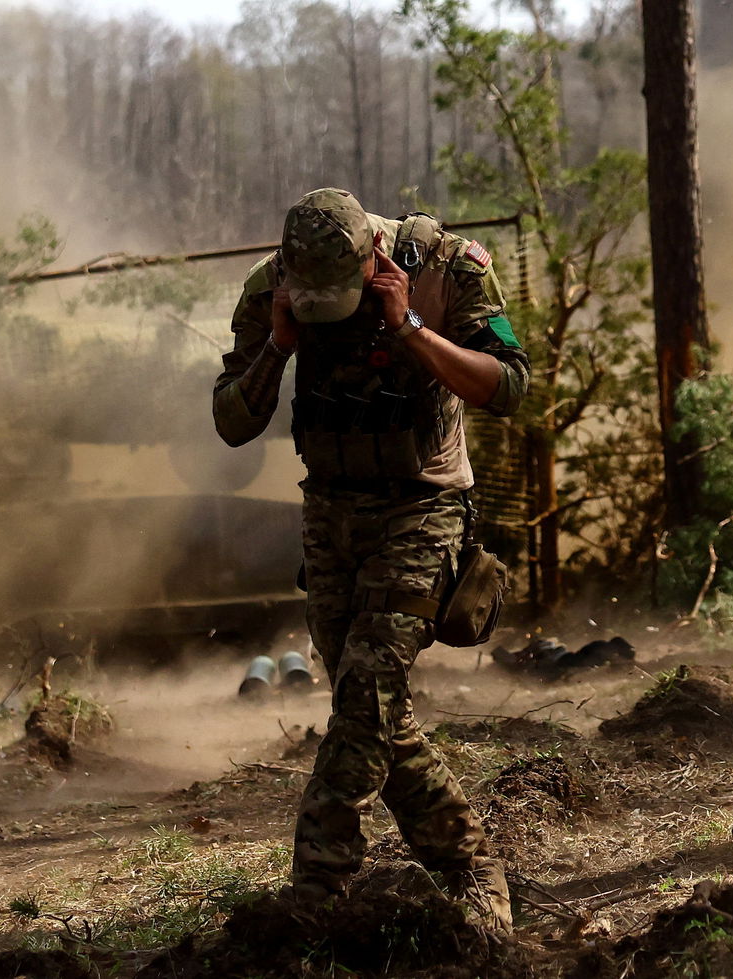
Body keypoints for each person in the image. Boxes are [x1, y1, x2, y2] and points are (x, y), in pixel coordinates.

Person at [213, 188, 530, 934]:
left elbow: (508, 386)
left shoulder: (445, 268)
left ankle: (315, 896)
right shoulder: (271, 290)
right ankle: (470, 863)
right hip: (331, 517)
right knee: (375, 711)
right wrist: (280, 344)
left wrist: (411, 327)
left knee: (366, 698)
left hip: (425, 508)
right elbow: (231, 421)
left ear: (373, 257)